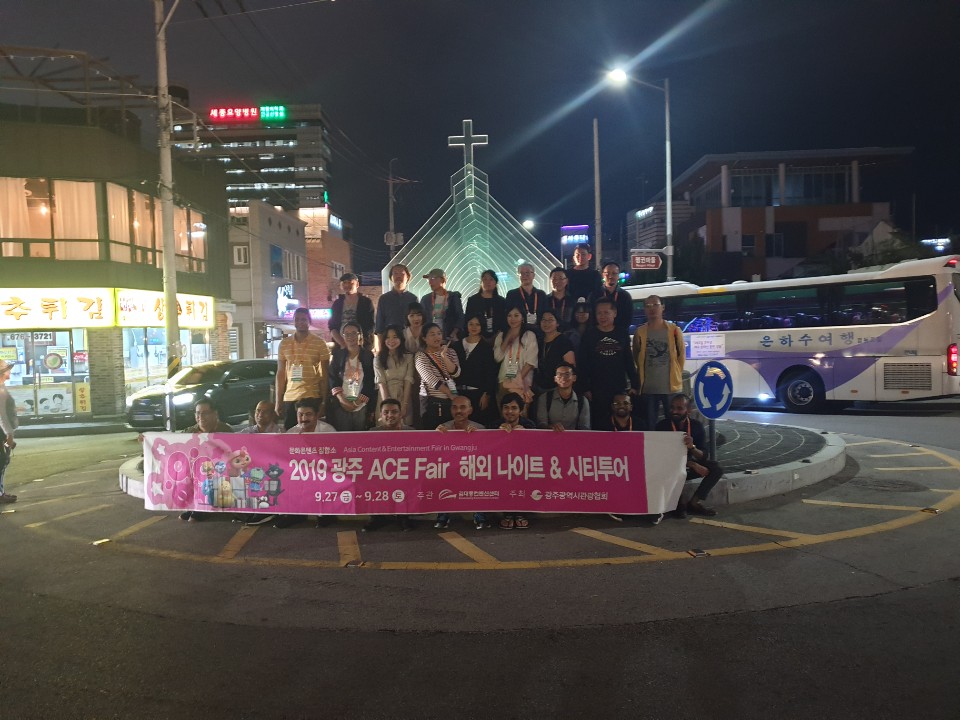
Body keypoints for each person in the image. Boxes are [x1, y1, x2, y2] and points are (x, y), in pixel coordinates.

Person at [656, 393, 722, 518]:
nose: (674, 411)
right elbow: (662, 456)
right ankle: (678, 503)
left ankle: (694, 502)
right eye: (672, 407)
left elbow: (703, 455)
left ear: (689, 410)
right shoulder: (662, 426)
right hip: (671, 468)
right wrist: (691, 464)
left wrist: (692, 447)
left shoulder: (696, 426)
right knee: (680, 514)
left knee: (716, 469)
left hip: (689, 466)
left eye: (679, 408)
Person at [577, 297, 639, 431]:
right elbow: (582, 363)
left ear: (614, 313)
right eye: (599, 313)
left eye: (606, 313)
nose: (602, 316)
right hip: (596, 389)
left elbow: (628, 359)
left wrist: (635, 384)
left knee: (619, 422)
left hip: (618, 387)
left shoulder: (621, 333)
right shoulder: (589, 334)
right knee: (599, 424)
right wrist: (585, 387)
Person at [275, 398, 336, 528]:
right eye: (300, 414)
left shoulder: (328, 431)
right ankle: (295, 515)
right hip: (300, 472)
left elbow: (335, 457)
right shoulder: (291, 432)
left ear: (316, 415)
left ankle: (326, 515)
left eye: (308, 414)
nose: (304, 418)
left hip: (323, 471)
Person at [434, 395, 488, 530]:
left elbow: (487, 454)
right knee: (441, 477)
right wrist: (435, 437)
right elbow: (434, 453)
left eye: (463, 407)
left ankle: (480, 517)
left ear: (470, 410)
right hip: (450, 469)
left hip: (472, 469)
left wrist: (478, 437)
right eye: (455, 407)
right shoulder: (443, 428)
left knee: (481, 478)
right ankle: (443, 517)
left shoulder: (480, 429)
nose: (458, 411)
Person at [632, 294, 685, 430]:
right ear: (644, 310)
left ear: (663, 307)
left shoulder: (674, 330)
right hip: (648, 388)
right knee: (650, 425)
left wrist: (677, 373)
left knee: (673, 424)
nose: (652, 309)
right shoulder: (640, 332)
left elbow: (681, 356)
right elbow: (636, 355)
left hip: (670, 387)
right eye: (648, 306)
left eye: (655, 305)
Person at [275, 306, 331, 430]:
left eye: (304, 319)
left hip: (312, 396)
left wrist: (324, 401)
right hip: (290, 397)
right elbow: (280, 373)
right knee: (291, 437)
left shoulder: (319, 343)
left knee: (312, 435)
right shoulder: (284, 344)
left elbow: (325, 374)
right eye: (297, 319)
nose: (300, 322)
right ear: (293, 321)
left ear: (309, 322)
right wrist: (278, 400)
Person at [364, 399, 415, 532]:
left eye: (394, 412)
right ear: (380, 414)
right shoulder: (372, 433)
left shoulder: (412, 433)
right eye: (386, 412)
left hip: (404, 473)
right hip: (379, 473)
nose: (390, 415)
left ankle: (403, 517)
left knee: (407, 481)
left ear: (400, 414)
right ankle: (377, 517)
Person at [179, 399, 234, 521]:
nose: (200, 417)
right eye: (198, 413)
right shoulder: (189, 432)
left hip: (218, 471)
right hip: (197, 470)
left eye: (205, 413)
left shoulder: (225, 431)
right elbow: (174, 444)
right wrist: (148, 440)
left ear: (215, 414)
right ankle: (194, 506)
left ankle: (205, 508)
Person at [327, 321, 376, 432]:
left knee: (360, 439)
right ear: (342, 336)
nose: (350, 336)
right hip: (341, 403)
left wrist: (358, 402)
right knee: (343, 438)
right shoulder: (338, 355)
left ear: (360, 335)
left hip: (361, 404)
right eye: (347, 334)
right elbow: (332, 378)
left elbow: (370, 380)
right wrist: (342, 400)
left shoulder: (368, 355)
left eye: (354, 333)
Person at [452, 314, 499, 428]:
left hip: (478, 394)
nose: (474, 327)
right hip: (458, 394)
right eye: (471, 324)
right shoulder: (456, 345)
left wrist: (486, 394)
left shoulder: (486, 347)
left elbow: (490, 373)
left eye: (477, 324)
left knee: (477, 427)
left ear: (482, 326)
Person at [497, 392, 534, 530]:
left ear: (521, 410)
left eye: (514, 408)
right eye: (506, 408)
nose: (510, 411)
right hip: (501, 467)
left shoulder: (530, 425)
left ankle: (520, 513)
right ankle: (507, 514)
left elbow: (537, 448)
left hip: (523, 467)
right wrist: (497, 434)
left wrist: (526, 435)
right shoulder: (495, 425)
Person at [415, 322, 460, 428]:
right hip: (431, 401)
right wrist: (449, 393)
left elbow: (456, 373)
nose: (437, 337)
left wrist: (444, 356)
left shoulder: (451, 352)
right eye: (432, 334)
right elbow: (431, 380)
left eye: (439, 333)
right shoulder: (421, 356)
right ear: (424, 338)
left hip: (451, 400)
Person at [493, 307, 538, 408]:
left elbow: (531, 361)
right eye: (509, 316)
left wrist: (516, 380)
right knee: (504, 416)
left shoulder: (529, 335)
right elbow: (497, 358)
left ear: (522, 317)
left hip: (522, 382)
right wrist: (507, 338)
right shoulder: (501, 335)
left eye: (516, 315)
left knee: (521, 416)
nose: (513, 319)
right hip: (503, 380)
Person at [375, 325, 415, 427]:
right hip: (385, 397)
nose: (391, 340)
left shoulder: (409, 357)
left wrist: (404, 405)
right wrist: (387, 408)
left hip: (404, 396)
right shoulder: (378, 359)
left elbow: (408, 380)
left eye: (395, 337)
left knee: (404, 433)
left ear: (401, 338)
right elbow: (381, 382)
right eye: (388, 337)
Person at [533, 309, 576, 398]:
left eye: (550, 320)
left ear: (557, 323)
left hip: (557, 388)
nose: (546, 323)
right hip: (538, 386)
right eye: (543, 320)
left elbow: (571, 366)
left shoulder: (564, 341)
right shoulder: (538, 341)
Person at [535, 363, 590, 431]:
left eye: (567, 374)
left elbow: (584, 428)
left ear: (574, 378)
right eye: (559, 374)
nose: (563, 377)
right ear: (555, 378)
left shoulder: (582, 401)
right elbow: (541, 424)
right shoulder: (545, 398)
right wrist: (552, 427)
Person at [330, 272, 376, 350]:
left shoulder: (366, 302)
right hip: (341, 345)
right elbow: (332, 326)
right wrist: (343, 344)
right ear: (341, 285)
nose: (347, 285)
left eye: (350, 283)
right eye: (344, 283)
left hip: (362, 345)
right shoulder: (337, 304)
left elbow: (371, 325)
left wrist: (359, 342)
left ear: (357, 284)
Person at [590, 261, 634, 342]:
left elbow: (627, 319)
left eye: (614, 273)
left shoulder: (625, 296)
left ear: (618, 275)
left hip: (619, 337)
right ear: (603, 275)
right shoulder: (594, 295)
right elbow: (591, 317)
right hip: (597, 337)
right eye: (607, 273)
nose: (610, 276)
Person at [375, 264, 419, 343]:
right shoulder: (384, 299)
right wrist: (381, 347)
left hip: (408, 341)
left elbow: (417, 323)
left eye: (402, 274)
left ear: (407, 277)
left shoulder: (413, 299)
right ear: (391, 277)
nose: (398, 276)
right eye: (395, 273)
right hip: (390, 341)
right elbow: (379, 326)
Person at [420, 268, 464, 341]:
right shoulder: (425, 299)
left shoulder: (453, 297)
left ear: (443, 280)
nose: (430, 282)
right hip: (431, 339)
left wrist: (454, 332)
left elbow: (460, 316)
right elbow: (422, 319)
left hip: (449, 338)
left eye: (433, 278)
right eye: (429, 279)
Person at [464, 269, 507, 340]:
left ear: (496, 282)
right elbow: (468, 320)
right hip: (477, 337)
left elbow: (504, 321)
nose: (488, 282)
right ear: (481, 282)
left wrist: (497, 336)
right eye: (485, 279)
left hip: (498, 338)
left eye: (491, 279)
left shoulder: (501, 301)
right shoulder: (473, 300)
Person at [504, 263, 548, 328]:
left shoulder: (541, 294)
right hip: (519, 332)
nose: (524, 275)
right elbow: (508, 315)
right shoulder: (512, 294)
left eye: (527, 273)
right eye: (521, 273)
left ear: (533, 275)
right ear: (518, 276)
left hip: (539, 331)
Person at [0, 359, 19, 504]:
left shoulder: (2, 388)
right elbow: (2, 415)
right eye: (7, 369)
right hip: (2, 433)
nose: (9, 371)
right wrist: (9, 435)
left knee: (3, 461)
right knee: (2, 461)